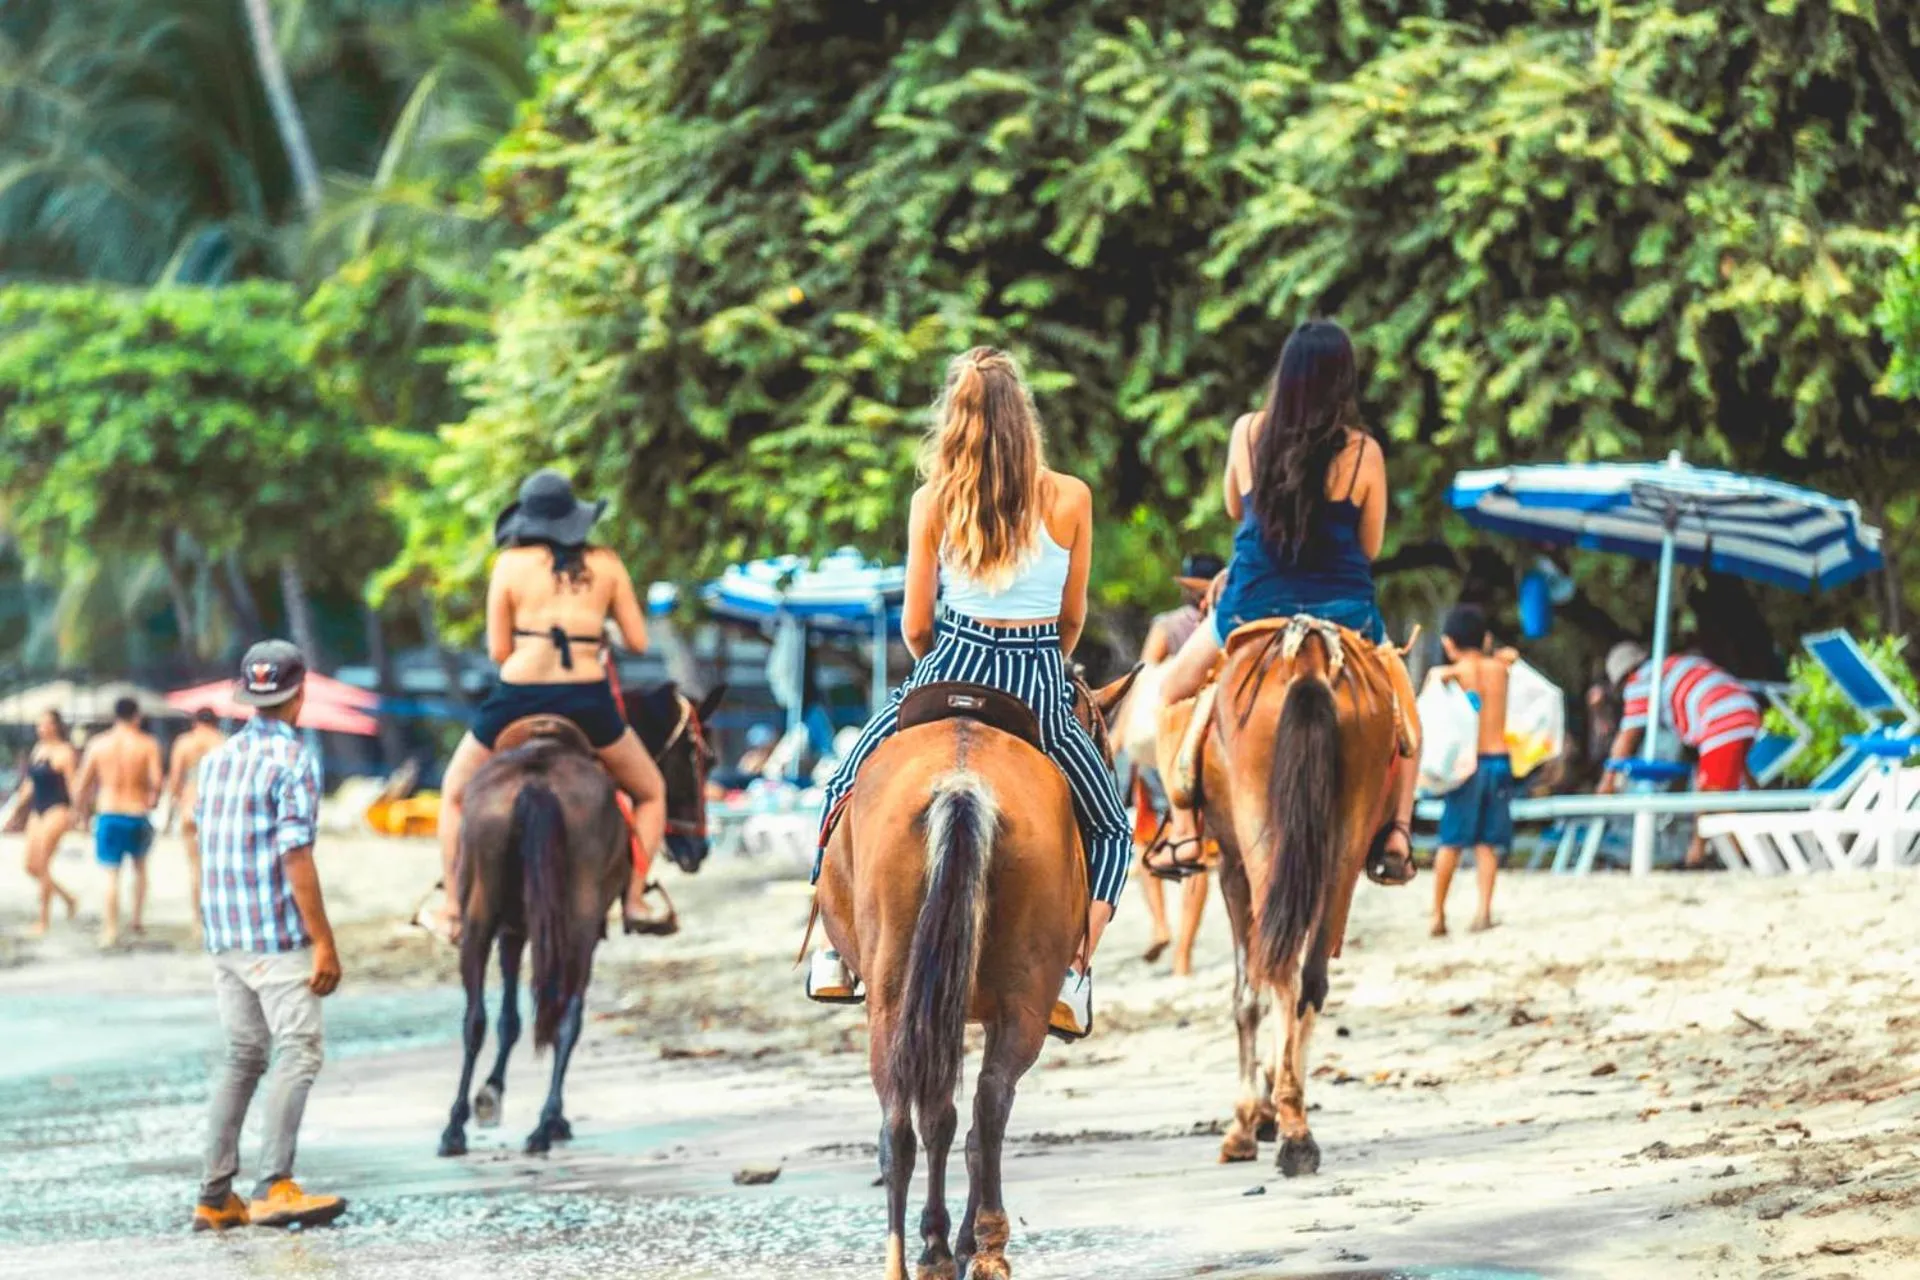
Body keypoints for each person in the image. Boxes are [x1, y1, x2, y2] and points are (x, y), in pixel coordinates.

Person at [808, 347, 1133, 1039]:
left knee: (842, 786)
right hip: (1038, 673)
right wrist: (1043, 668)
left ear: (953, 422)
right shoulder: (1071, 497)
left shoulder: (932, 500)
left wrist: (938, 680)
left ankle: (835, 954)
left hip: (948, 663)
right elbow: (1072, 616)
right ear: (1025, 420)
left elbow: (916, 623)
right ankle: (1072, 976)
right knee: (1110, 827)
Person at [1157, 319, 1419, 884]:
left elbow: (1234, 509)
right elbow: (1369, 546)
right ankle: (1397, 830)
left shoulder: (1248, 433)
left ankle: (1182, 830)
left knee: (1172, 691)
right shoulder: (1364, 453)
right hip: (1343, 610)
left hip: (1252, 603)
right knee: (1403, 716)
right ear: (1343, 380)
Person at [435, 470, 669, 938]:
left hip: (516, 697)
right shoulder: (606, 562)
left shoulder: (509, 564)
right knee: (651, 792)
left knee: (454, 794)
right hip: (587, 699)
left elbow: (499, 651)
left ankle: (454, 906)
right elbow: (639, 642)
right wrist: (598, 632)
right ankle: (637, 898)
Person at [190, 640, 346, 1233]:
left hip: (224, 934)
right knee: (299, 1050)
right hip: (273, 938)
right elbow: (296, 857)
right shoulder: (293, 760)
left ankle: (214, 1195)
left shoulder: (217, 759)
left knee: (243, 1056)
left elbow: (207, 843)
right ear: (300, 693)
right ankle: (274, 1184)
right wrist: (324, 942)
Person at [1133, 553, 1222, 969]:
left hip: (1163, 739)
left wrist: (1117, 737)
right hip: (1210, 742)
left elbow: (1146, 681)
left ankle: (1160, 927)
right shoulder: (1228, 621)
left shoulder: (1166, 626)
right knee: (1198, 852)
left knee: (1147, 844)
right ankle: (1183, 952)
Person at [1601, 640, 1761, 870]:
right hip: (1744, 708)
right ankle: (1759, 835)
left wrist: (1607, 782)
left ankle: (1721, 855)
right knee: (1733, 782)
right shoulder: (1673, 664)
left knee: (1710, 791)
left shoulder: (1642, 680)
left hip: (1720, 716)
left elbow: (1626, 737)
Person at [1427, 605, 1515, 936]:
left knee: (1451, 840)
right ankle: (1483, 912)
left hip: (1467, 765)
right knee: (1487, 843)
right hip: (1498, 761)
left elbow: (1432, 694)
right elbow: (1508, 658)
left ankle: (1437, 914)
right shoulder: (1501, 669)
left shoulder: (1453, 674)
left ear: (1449, 643)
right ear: (1486, 638)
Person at [73, 696, 163, 948]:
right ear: (137, 716)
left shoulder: (98, 744)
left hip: (109, 813)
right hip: (137, 813)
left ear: (115, 716)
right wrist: (152, 799)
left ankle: (110, 930)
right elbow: (156, 781)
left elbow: (82, 784)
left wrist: (80, 813)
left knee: (111, 875)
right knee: (140, 868)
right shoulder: (147, 744)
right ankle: (136, 920)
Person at [8, 710, 79, 935]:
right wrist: (15, 810)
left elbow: (72, 783)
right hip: (37, 809)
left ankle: (43, 920)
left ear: (56, 726)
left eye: (45, 724)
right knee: (31, 866)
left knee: (43, 863)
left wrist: (78, 812)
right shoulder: (38, 749)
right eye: (39, 725)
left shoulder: (65, 752)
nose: (41, 728)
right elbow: (30, 784)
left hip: (57, 808)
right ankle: (68, 899)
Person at [166, 709, 227, 942]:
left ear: (195, 723)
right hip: (217, 811)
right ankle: (219, 920)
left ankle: (197, 922)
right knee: (218, 869)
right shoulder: (224, 743)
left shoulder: (184, 743)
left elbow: (175, 780)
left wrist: (173, 807)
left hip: (190, 807)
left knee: (195, 869)